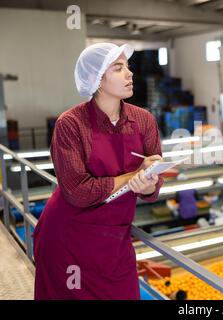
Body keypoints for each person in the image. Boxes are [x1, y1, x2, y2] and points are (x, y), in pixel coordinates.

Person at [33, 43, 164, 300]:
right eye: (118, 68)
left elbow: (153, 183)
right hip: (68, 239)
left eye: (127, 67)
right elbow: (77, 191)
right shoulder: (71, 124)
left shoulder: (144, 120)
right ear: (97, 79)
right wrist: (132, 176)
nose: (130, 74)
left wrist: (148, 184)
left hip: (114, 240)